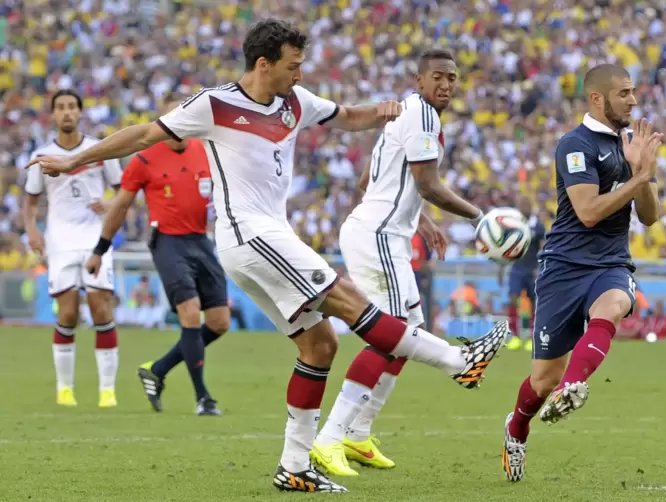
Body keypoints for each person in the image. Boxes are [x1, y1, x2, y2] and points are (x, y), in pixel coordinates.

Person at [27, 19, 508, 493]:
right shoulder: (215, 104)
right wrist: (73, 160)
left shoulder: (296, 102)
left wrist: (388, 110)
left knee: (320, 345)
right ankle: (454, 361)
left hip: (270, 236)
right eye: (293, 65)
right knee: (344, 295)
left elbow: (347, 117)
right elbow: (142, 135)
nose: (299, 74)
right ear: (263, 63)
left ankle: (295, 466)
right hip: (247, 235)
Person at [312, 49, 505, 476]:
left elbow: (370, 181)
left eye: (452, 79)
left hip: (381, 232)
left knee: (405, 333)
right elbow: (429, 184)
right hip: (377, 235)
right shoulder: (422, 116)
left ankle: (358, 435)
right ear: (418, 80)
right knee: (392, 335)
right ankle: (329, 439)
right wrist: (480, 217)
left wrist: (421, 220)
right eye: (437, 77)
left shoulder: (403, 113)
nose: (446, 85)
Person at [500, 64, 663, 483]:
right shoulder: (574, 144)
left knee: (614, 304)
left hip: (610, 264)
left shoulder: (631, 144)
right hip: (563, 268)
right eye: (624, 93)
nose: (633, 100)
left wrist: (643, 175)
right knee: (541, 381)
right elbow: (588, 212)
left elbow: (649, 215)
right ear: (597, 98)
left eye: (633, 92)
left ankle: (574, 385)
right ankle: (516, 428)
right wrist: (638, 175)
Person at [85, 99, 231, 416]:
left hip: (201, 241)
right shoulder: (144, 159)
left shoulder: (206, 150)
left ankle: (159, 369)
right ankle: (203, 398)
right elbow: (121, 206)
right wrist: (100, 248)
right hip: (167, 242)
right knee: (190, 315)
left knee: (220, 323)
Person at [22, 90, 122, 408]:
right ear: (52, 115)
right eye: (60, 108)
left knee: (101, 310)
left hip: (96, 238)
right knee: (67, 313)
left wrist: (108, 203)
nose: (66, 112)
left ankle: (107, 390)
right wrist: (33, 231)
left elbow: (125, 192)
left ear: (80, 113)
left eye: (71, 107)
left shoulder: (100, 150)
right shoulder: (42, 155)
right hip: (61, 240)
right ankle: (65, 389)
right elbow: (30, 202)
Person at [506, 196, 546, 351]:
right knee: (513, 300)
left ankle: (531, 338)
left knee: (533, 303)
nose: (524, 208)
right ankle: (515, 336)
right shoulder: (514, 225)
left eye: (527, 204)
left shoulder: (538, 227)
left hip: (532, 270)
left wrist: (540, 267)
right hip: (516, 268)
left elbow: (543, 248)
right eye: (522, 205)